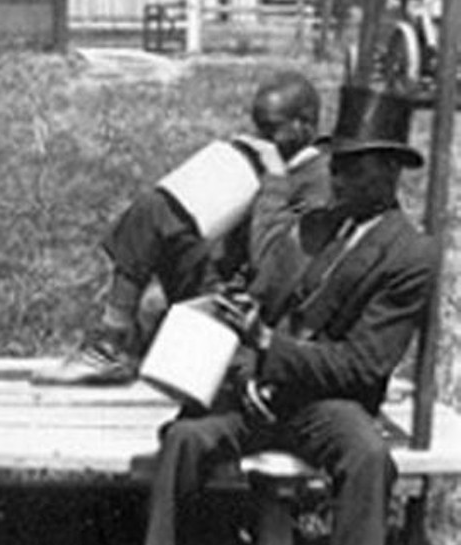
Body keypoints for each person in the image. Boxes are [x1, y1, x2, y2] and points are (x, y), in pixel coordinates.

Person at [104, 85, 437, 545]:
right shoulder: (311, 229)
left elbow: (364, 364)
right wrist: (240, 333)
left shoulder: (409, 256)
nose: (338, 179)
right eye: (336, 164)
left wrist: (269, 353)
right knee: (185, 437)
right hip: (263, 389)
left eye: (355, 168)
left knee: (366, 455)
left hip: (329, 404)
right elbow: (261, 301)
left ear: (391, 172)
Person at [37, 71, 329, 385]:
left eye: (272, 129)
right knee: (157, 209)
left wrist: (273, 179)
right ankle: (114, 339)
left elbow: (273, 266)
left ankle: (112, 344)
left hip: (256, 312)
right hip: (228, 285)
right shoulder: (282, 163)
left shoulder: (320, 181)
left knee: (157, 213)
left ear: (305, 124)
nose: (263, 138)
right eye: (259, 127)